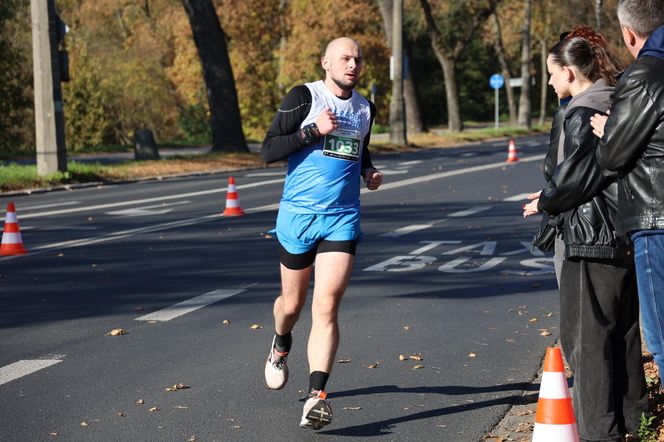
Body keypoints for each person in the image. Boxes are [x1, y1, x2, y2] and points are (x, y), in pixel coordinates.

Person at [523, 26, 647, 441]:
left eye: (553, 74)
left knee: (586, 340)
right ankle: (636, 421)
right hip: (626, 232)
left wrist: (547, 200)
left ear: (572, 73)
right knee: (624, 332)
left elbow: (578, 176)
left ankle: (600, 432)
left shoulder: (578, 112)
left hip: (589, 237)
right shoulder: (618, 102)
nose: (552, 82)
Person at [260, 36, 383, 430]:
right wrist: (312, 131)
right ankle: (280, 344)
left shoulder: (365, 108)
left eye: (357, 59)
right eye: (345, 58)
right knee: (292, 307)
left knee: (326, 305)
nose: (353, 64)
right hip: (298, 217)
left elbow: (359, 148)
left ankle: (316, 397)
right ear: (325, 63)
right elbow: (268, 150)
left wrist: (368, 171)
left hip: (342, 217)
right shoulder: (303, 97)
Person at [589, 0, 664, 384]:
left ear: (629, 33)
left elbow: (614, 156)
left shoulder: (644, 74)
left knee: (662, 333)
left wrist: (608, 131)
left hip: (655, 214)